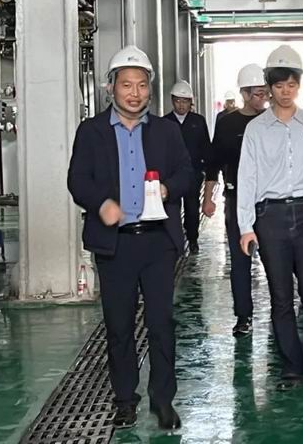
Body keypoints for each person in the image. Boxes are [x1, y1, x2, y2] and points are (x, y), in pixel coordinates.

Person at [67, 46, 193, 431]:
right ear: (111, 88)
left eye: (141, 85)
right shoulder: (92, 132)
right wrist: (101, 203)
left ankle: (163, 401)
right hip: (115, 244)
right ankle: (124, 399)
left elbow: (187, 172)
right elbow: (77, 180)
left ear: (150, 89)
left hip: (157, 243)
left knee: (161, 324)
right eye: (126, 85)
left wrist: (168, 189)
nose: (134, 93)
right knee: (119, 325)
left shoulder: (166, 131)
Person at [237, 45, 303, 398]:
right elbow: (247, 177)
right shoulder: (256, 129)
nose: (285, 91)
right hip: (271, 217)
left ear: (299, 85)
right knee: (280, 297)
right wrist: (246, 226)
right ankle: (292, 366)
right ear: (269, 87)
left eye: (291, 84)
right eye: (279, 85)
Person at [202, 65, 268, 337]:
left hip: (269, 201)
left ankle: (282, 313)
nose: (262, 98)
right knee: (240, 261)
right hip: (237, 198)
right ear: (244, 93)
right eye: (257, 93)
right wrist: (208, 199)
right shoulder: (227, 124)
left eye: (265, 93)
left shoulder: (273, 122)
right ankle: (243, 316)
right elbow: (213, 163)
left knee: (276, 260)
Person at [164, 80, 212, 254]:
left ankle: (192, 239)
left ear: (190, 102)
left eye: (185, 101)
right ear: (172, 100)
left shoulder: (198, 121)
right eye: (178, 100)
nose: (181, 105)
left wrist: (207, 170)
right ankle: (174, 241)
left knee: (192, 209)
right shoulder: (165, 123)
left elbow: (206, 146)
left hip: (193, 173)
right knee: (172, 209)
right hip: (172, 176)